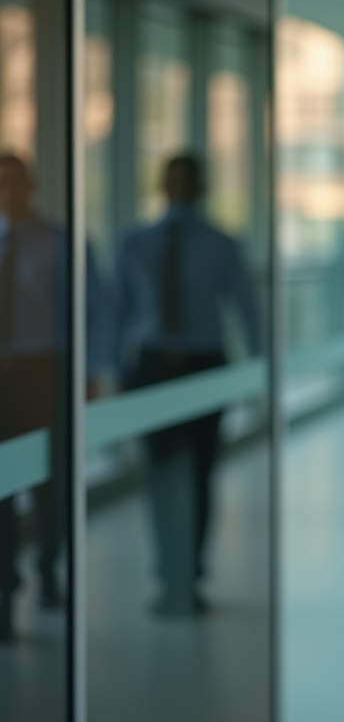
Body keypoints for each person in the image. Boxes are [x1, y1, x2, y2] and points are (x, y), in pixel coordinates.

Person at [112, 154, 261, 616]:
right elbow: (119, 311)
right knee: (159, 473)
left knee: (199, 472)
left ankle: (191, 574)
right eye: (172, 180)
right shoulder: (134, 242)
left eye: (186, 180)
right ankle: (167, 575)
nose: (179, 188)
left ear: (201, 188)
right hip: (152, 366)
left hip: (204, 366)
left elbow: (247, 307)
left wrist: (259, 371)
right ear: (162, 186)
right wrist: (114, 371)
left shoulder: (222, 243)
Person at [0, 154, 106, 642]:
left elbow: (92, 311)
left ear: (32, 185)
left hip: (44, 372)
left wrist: (90, 373)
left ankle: (48, 568)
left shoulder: (62, 243)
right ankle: (5, 586)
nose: (7, 191)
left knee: (49, 483)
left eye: (13, 182)